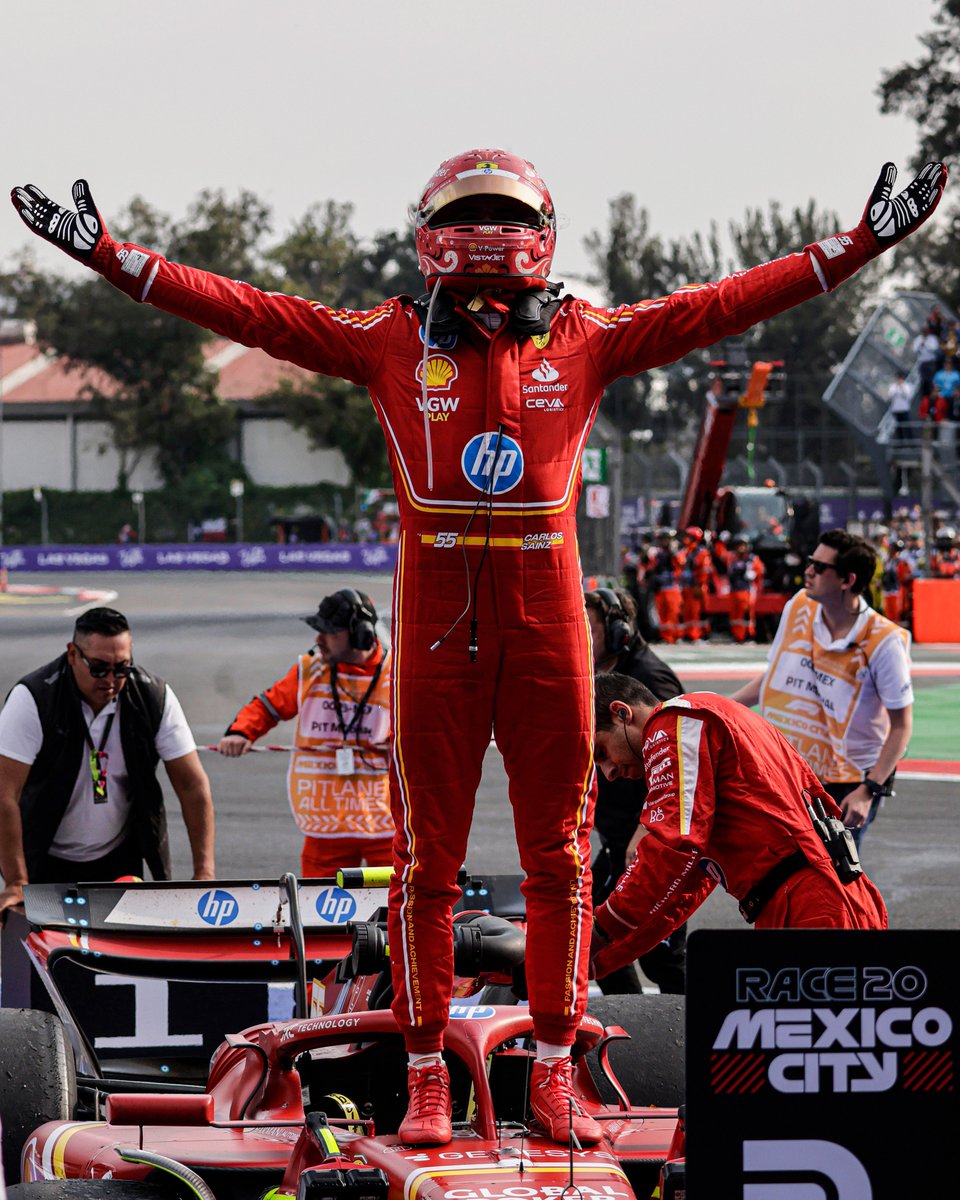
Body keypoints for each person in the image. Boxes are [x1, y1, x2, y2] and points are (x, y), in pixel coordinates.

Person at [11, 153, 944, 1148]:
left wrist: (862, 246)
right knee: (428, 872)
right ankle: (421, 1079)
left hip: (549, 646)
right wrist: (113, 258)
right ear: (430, 236)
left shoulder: (587, 336)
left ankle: (552, 1071)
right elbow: (250, 311)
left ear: (542, 231)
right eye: (472, 216)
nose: (491, 234)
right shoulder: (390, 339)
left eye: (507, 216)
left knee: (561, 866)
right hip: (443, 654)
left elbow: (721, 306)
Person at [589, 674, 887, 980]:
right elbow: (685, 884)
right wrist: (600, 959)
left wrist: (600, 929)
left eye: (601, 752)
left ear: (622, 712)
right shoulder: (708, 716)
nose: (608, 772)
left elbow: (673, 847)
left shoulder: (674, 723)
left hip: (810, 904)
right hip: (823, 896)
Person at [0, 607, 215, 921]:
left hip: (119, 857)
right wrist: (17, 880)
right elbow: (5, 793)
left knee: (122, 964)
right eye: (99, 668)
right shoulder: (33, 698)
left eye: (122, 668)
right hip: (44, 856)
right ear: (73, 654)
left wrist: (204, 874)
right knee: (49, 963)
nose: (111, 680)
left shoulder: (153, 696)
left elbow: (192, 785)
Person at [729, 530, 913, 851]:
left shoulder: (884, 641)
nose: (808, 571)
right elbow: (775, 677)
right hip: (790, 771)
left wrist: (868, 791)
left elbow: (901, 726)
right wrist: (721, 709)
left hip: (848, 784)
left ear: (847, 580)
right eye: (810, 562)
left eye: (819, 566)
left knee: (832, 881)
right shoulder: (799, 606)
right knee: (782, 875)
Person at [218, 589, 393, 877]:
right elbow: (268, 706)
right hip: (326, 826)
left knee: (393, 909)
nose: (318, 639)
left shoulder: (395, 675)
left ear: (359, 634)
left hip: (384, 824)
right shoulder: (310, 671)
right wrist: (241, 732)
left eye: (329, 632)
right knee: (319, 913)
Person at [583, 587, 687, 995]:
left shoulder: (649, 678)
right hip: (616, 834)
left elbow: (679, 759)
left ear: (618, 630)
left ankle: (684, 1037)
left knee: (662, 954)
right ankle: (628, 1026)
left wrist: (649, 832)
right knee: (599, 940)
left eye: (588, 629)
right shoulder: (601, 674)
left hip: (646, 834)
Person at [726, 535, 764, 642]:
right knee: (735, 614)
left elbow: (760, 569)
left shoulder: (752, 558)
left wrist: (754, 573)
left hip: (746, 589)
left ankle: (748, 635)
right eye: (738, 546)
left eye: (742, 545)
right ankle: (737, 636)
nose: (740, 548)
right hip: (734, 589)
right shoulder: (732, 557)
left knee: (746, 613)